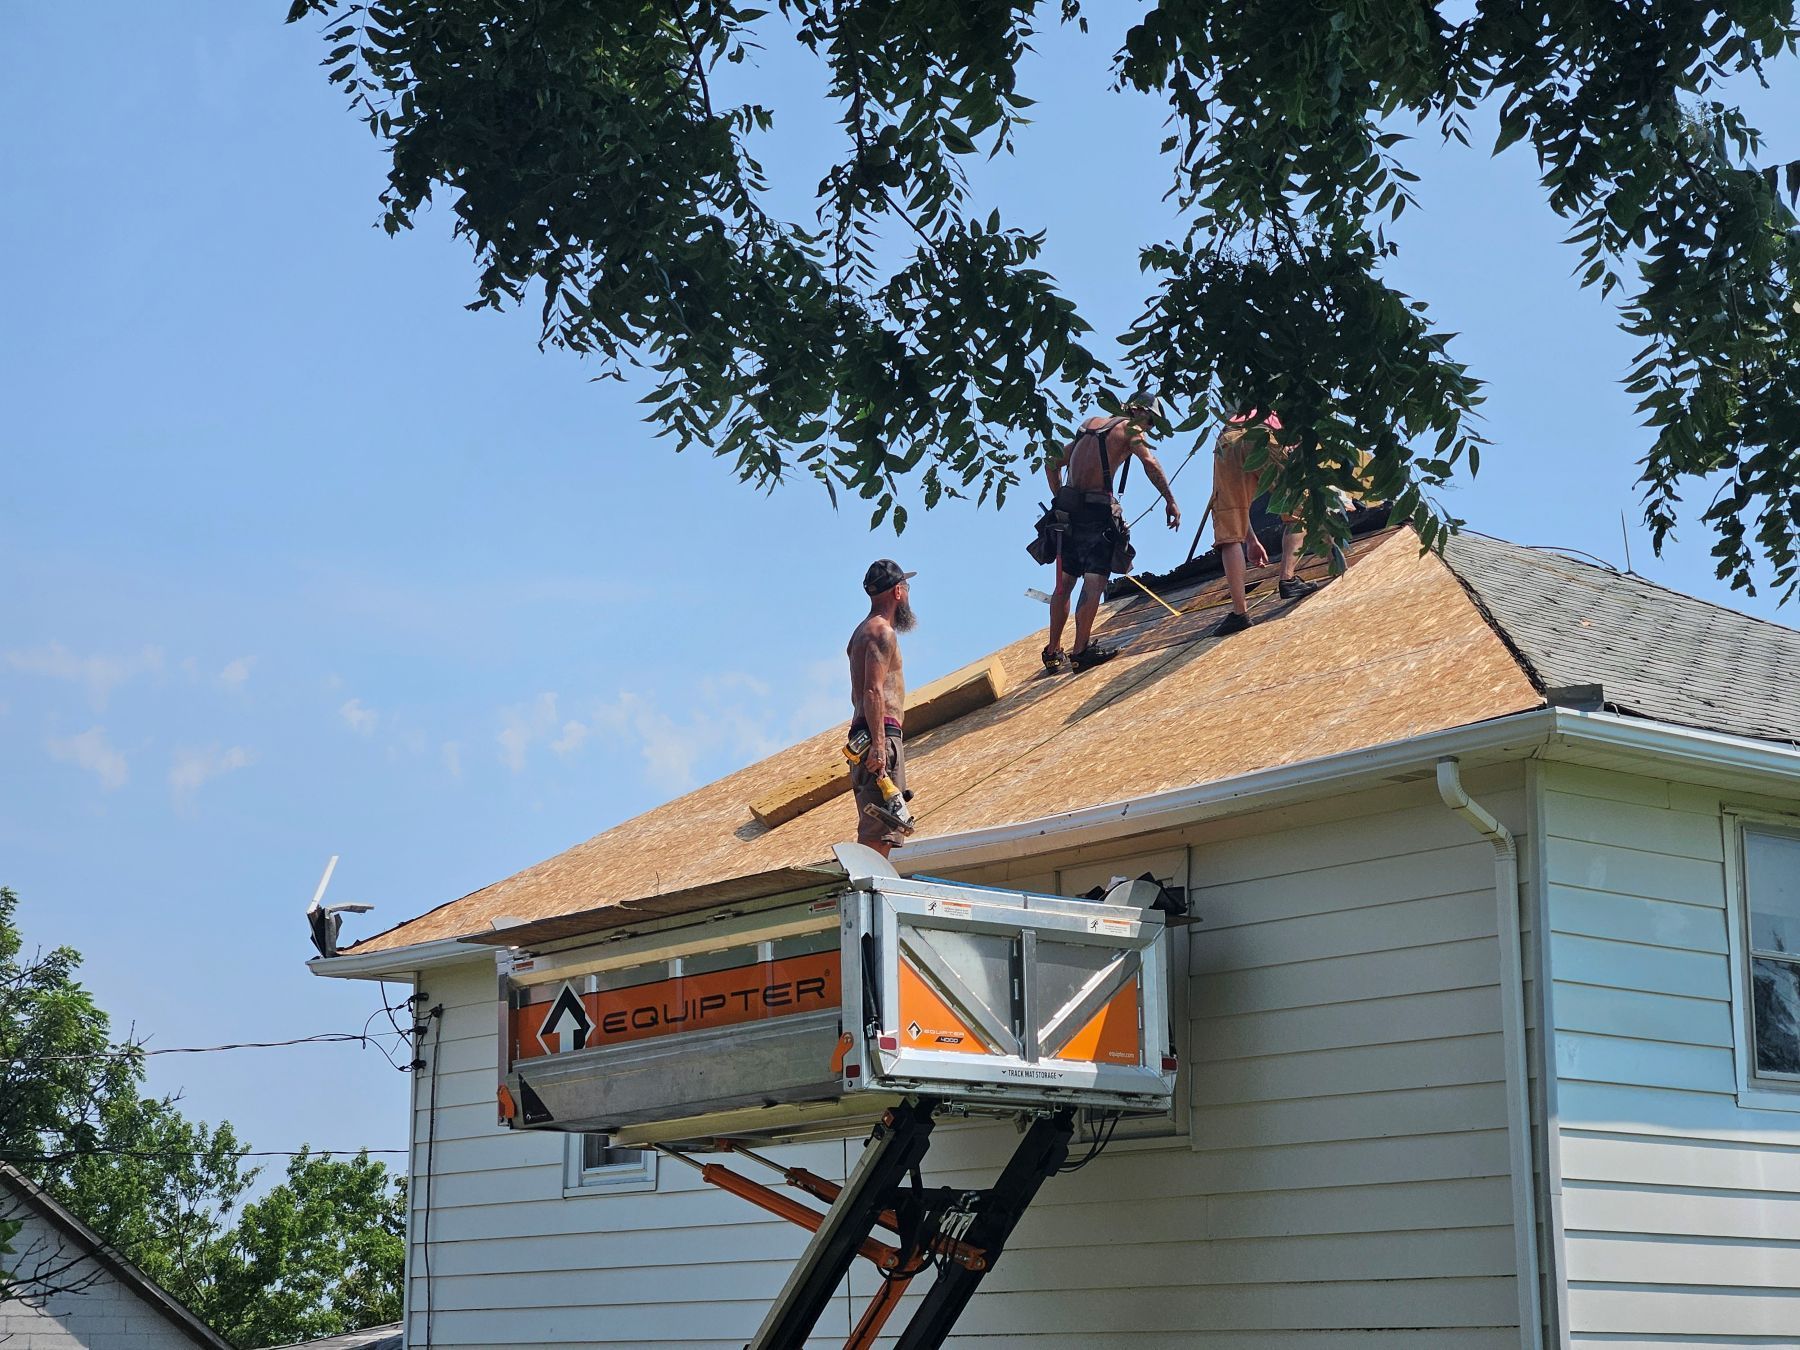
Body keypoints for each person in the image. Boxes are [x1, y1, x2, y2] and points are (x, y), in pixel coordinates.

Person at [1041, 392, 1182, 673]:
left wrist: (1061, 499)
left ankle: (1053, 650)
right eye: (1151, 422)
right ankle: (1080, 651)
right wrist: (1170, 500)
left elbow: (1051, 462)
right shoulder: (1130, 430)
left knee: (1064, 584)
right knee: (1093, 584)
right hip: (1097, 516)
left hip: (1069, 515)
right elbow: (1150, 464)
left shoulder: (1091, 425)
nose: (1148, 429)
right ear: (1141, 413)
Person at [1209, 412, 1321, 636]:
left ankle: (1239, 614)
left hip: (1226, 441)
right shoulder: (1294, 403)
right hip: (1261, 434)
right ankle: (1288, 579)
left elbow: (1238, 510)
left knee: (1229, 533)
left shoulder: (1249, 402)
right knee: (1300, 506)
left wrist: (1250, 540)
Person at [846, 559, 916, 856]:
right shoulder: (882, 632)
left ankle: (871, 889)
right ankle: (869, 894)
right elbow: (873, 690)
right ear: (898, 591)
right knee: (882, 830)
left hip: (865, 735)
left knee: (882, 825)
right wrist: (878, 745)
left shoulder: (860, 632)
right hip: (880, 736)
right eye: (907, 588)